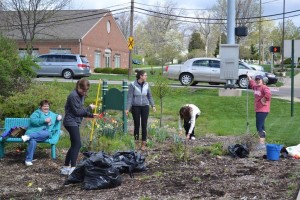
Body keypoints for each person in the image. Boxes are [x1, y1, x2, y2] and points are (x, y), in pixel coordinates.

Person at [61, 78, 96, 175]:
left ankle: (66, 167)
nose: (84, 92)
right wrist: (89, 108)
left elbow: (81, 111)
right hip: (70, 122)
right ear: (78, 87)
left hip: (75, 122)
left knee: (74, 144)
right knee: (77, 144)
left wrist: (91, 115)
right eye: (83, 90)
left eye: (86, 90)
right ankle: (73, 168)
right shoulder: (73, 96)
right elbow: (77, 112)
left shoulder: (81, 95)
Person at [22, 100, 62, 166]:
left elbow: (58, 116)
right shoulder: (37, 112)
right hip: (34, 131)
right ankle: (28, 160)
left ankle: (28, 137)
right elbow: (32, 121)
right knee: (33, 141)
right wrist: (44, 120)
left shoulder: (51, 114)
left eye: (47, 106)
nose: (46, 108)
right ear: (41, 107)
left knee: (47, 133)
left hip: (43, 134)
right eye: (44, 106)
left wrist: (59, 116)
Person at [126, 70, 156, 151]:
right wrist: (127, 108)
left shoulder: (146, 84)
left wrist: (153, 105)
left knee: (144, 125)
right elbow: (129, 97)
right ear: (140, 76)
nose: (146, 77)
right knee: (136, 125)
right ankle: (136, 143)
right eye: (145, 75)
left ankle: (143, 143)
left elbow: (150, 96)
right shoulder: (132, 85)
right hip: (136, 107)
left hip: (145, 107)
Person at [247, 74, 271, 150]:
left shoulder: (264, 87)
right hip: (258, 110)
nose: (257, 81)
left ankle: (261, 144)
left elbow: (268, 95)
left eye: (259, 80)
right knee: (262, 126)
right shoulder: (256, 87)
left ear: (262, 81)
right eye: (256, 79)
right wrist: (249, 77)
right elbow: (252, 83)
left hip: (263, 110)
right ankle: (263, 143)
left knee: (259, 126)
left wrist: (263, 99)